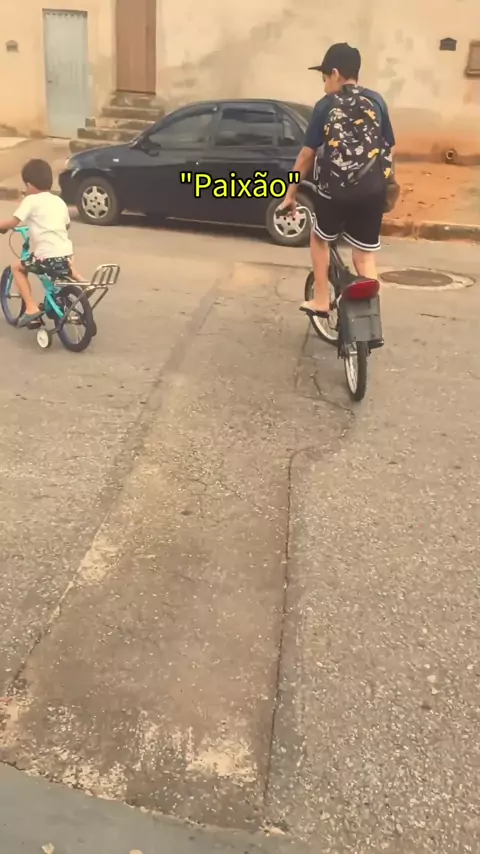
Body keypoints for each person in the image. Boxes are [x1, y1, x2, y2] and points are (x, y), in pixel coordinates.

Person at [282, 43, 396, 318]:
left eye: (324, 79)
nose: (324, 86)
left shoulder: (325, 105)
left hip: (334, 193)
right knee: (364, 257)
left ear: (335, 73)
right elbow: (388, 148)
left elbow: (307, 155)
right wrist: (387, 185)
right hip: (372, 191)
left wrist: (290, 193)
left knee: (319, 238)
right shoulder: (376, 101)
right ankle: (372, 318)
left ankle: (322, 299)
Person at [0, 158, 83, 327]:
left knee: (17, 267)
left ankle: (31, 308)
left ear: (29, 184)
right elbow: (66, 225)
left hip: (47, 256)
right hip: (67, 253)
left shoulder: (30, 201)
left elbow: (13, 223)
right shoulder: (58, 201)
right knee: (60, 261)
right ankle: (80, 281)